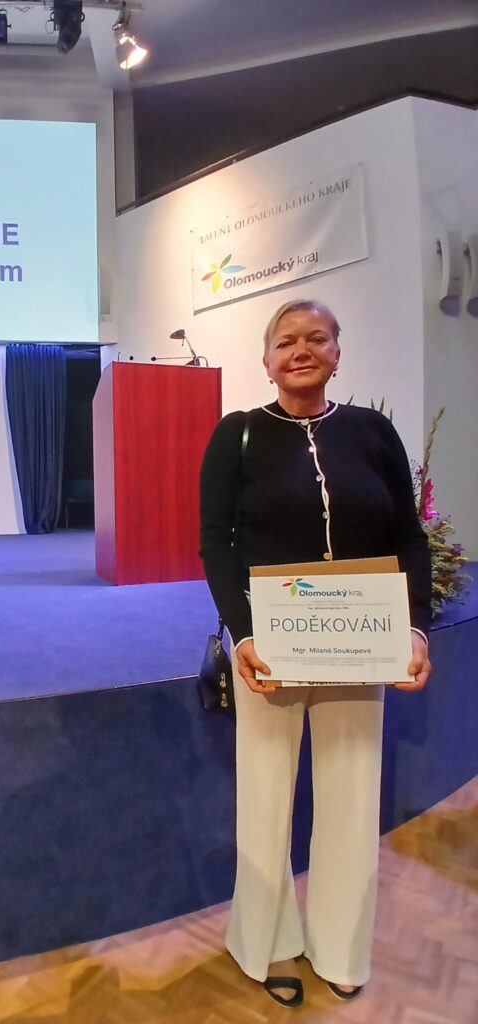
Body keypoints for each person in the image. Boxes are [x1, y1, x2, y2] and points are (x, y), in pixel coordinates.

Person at [199, 298, 432, 1008]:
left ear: (337, 352)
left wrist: (415, 627)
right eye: (286, 341)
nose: (301, 350)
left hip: (362, 642)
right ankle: (267, 942)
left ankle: (340, 945)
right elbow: (215, 541)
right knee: (266, 795)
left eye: (316, 338)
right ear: (267, 360)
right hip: (270, 647)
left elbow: (409, 536)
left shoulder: (373, 432)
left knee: (353, 794)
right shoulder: (237, 435)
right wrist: (241, 633)